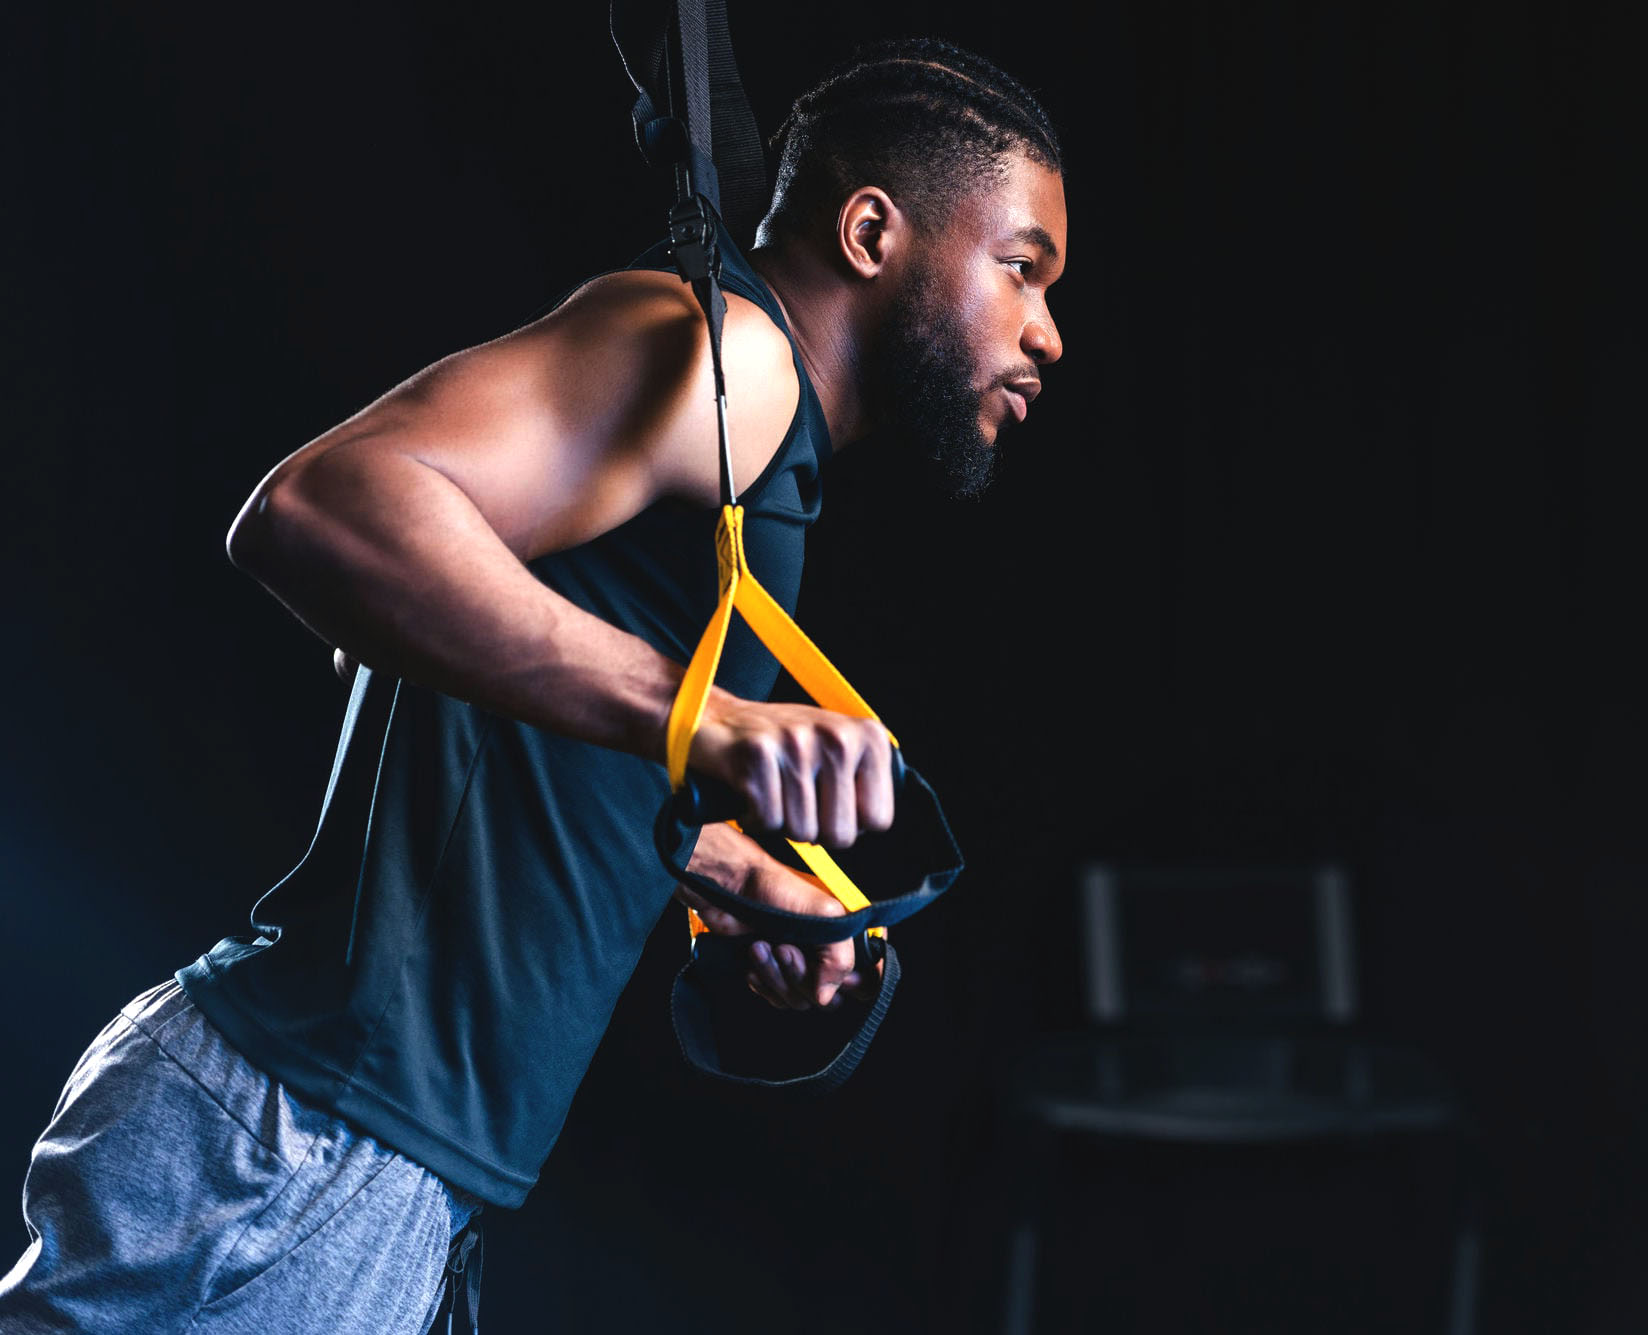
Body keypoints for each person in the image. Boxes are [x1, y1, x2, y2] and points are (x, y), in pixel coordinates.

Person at [0, 37, 1065, 1334]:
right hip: (302, 1141)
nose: (1046, 332)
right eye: (1022, 267)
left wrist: (738, 874)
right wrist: (701, 714)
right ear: (871, 231)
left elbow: (449, 662)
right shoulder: (717, 351)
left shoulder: (762, 458)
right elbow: (323, 508)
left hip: (368, 1163)